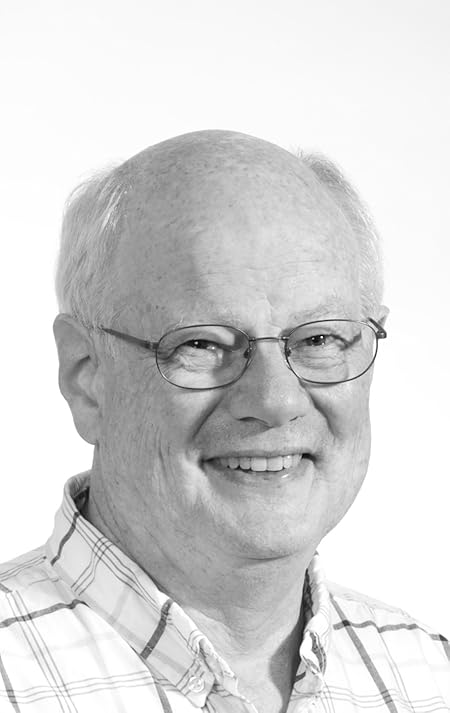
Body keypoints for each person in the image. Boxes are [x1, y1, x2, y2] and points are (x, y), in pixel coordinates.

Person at [0, 130, 448, 713]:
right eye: (203, 344)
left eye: (319, 339)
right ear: (87, 375)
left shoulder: (430, 677)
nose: (276, 400)